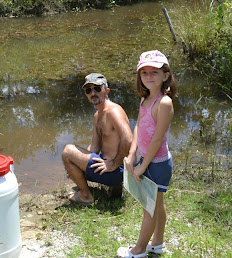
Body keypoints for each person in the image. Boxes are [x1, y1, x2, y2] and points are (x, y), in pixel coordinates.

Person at [117, 50, 177, 258]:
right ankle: (157, 244)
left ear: (166, 75)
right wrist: (133, 155)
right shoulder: (146, 99)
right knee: (157, 205)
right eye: (144, 73)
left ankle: (139, 250)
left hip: (157, 164)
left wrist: (143, 166)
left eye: (154, 72)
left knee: (149, 208)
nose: (149, 76)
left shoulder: (164, 103)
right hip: (145, 159)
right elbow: (139, 126)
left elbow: (157, 139)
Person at [62, 73, 133, 205]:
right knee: (72, 159)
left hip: (116, 170)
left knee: (67, 152)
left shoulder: (113, 111)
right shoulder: (97, 115)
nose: (93, 93)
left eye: (97, 88)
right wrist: (77, 164)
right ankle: (113, 189)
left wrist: (113, 164)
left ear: (106, 91)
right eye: (89, 90)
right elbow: (94, 147)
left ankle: (86, 196)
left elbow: (128, 139)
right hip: (108, 166)